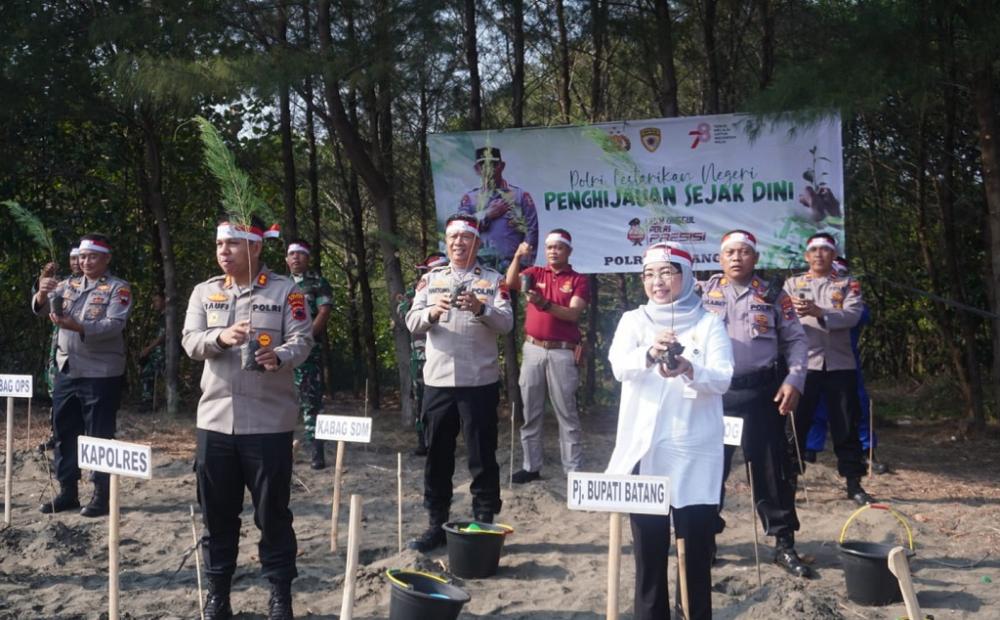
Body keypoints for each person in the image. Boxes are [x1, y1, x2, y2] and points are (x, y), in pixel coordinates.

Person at [182, 218, 313, 620]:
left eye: (233, 244)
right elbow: (190, 341)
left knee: (272, 516)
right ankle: (218, 596)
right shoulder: (205, 292)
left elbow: (302, 340)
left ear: (255, 248)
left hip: (268, 423)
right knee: (217, 516)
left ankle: (280, 596)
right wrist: (219, 338)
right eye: (219, 244)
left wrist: (280, 356)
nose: (224, 251)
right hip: (216, 422)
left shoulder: (286, 291)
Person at [606, 242, 733, 620]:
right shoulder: (633, 321)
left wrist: (689, 367)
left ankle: (693, 613)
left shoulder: (709, 323)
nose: (657, 281)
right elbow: (619, 366)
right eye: (649, 274)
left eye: (666, 272)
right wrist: (649, 352)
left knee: (695, 548)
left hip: (694, 447)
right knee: (648, 549)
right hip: (644, 449)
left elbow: (722, 377)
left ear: (686, 276)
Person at [700, 230, 812, 578]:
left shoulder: (774, 294)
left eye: (744, 252)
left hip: (762, 395)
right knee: (709, 469)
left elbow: (796, 341)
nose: (737, 258)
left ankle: (783, 543)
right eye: (730, 252)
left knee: (772, 470)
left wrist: (794, 379)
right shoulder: (701, 293)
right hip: (715, 397)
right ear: (720, 258)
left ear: (756, 258)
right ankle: (704, 541)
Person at [404, 213, 513, 552]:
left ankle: (484, 520)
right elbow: (411, 322)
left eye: (465, 238)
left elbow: (507, 323)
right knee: (437, 455)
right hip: (438, 382)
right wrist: (430, 313)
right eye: (452, 238)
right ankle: (436, 522)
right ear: (446, 242)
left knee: (482, 455)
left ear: (477, 243)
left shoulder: (493, 280)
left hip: (479, 382)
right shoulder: (431, 279)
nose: (458, 243)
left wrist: (482, 309)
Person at [31, 234, 132, 517]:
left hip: (101, 372)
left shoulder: (118, 288)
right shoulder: (68, 284)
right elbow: (41, 309)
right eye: (83, 256)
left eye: (93, 257)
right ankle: (68, 492)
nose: (86, 262)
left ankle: (101, 494)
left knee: (99, 435)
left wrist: (77, 326)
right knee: (64, 431)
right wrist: (41, 293)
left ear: (106, 259)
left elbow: (114, 325)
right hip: (67, 369)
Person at [784, 233, 873, 506]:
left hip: (840, 364)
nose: (819, 255)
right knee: (796, 425)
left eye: (825, 250)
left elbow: (852, 315)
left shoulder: (847, 284)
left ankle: (853, 483)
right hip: (804, 365)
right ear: (806, 256)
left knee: (846, 424)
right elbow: (783, 317)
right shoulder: (793, 284)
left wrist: (820, 312)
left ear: (834, 256)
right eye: (814, 250)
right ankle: (789, 481)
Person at [505, 229, 589, 482]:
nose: (553, 251)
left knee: (566, 413)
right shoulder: (536, 273)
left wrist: (544, 304)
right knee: (530, 411)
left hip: (562, 351)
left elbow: (573, 314)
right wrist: (517, 257)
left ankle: (573, 471)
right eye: (550, 247)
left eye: (559, 247)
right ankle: (531, 467)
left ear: (569, 251)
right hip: (533, 348)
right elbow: (511, 282)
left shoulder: (578, 280)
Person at [805, 257, 886, 474]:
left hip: (845, 363)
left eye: (839, 275)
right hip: (814, 361)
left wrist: (831, 312)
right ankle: (809, 451)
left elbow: (859, 316)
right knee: (814, 407)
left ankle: (866, 452)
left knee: (856, 408)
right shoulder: (807, 295)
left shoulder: (852, 299)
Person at [284, 239, 334, 470]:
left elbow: (323, 312)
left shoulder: (318, 283)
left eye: (300, 253)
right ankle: (283, 450)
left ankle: (317, 453)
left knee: (311, 403)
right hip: (283, 354)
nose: (296, 257)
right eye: (292, 254)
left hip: (308, 353)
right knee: (281, 402)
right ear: (286, 259)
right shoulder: (280, 285)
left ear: (308, 258)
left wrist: (305, 340)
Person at [397, 252, 449, 456]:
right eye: (433, 270)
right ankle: (423, 441)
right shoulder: (418, 288)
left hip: (445, 353)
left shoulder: (455, 285)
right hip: (420, 355)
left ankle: (442, 439)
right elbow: (403, 313)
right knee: (421, 398)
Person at [458, 147, 539, 272]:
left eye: (493, 165)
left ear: (502, 166)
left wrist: (523, 266)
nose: (488, 169)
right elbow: (461, 228)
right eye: (483, 165)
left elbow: (532, 232)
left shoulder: (520, 196)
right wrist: (487, 214)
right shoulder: (470, 199)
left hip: (512, 267)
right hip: (479, 267)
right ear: (477, 169)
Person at [35, 244, 82, 452]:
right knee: (56, 390)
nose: (76, 262)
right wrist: (44, 278)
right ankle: (56, 434)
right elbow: (41, 304)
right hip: (59, 347)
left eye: (79, 257)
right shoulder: (63, 283)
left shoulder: (98, 284)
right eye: (72, 258)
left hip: (83, 349)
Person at [138, 291, 166, 411]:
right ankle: (149, 401)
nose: (155, 304)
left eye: (157, 300)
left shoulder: (167, 317)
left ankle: (148, 402)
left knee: (148, 373)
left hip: (163, 353)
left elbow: (162, 337)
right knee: (146, 371)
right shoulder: (160, 317)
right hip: (157, 352)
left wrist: (148, 349)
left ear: (165, 301)